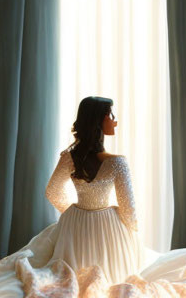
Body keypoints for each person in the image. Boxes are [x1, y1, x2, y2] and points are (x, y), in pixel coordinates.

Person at [43, 96, 144, 283]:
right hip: (108, 227)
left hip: (75, 225)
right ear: (99, 120)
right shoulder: (117, 163)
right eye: (110, 114)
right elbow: (129, 211)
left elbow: (52, 192)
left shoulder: (70, 157)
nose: (115, 120)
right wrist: (134, 237)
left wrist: (72, 214)